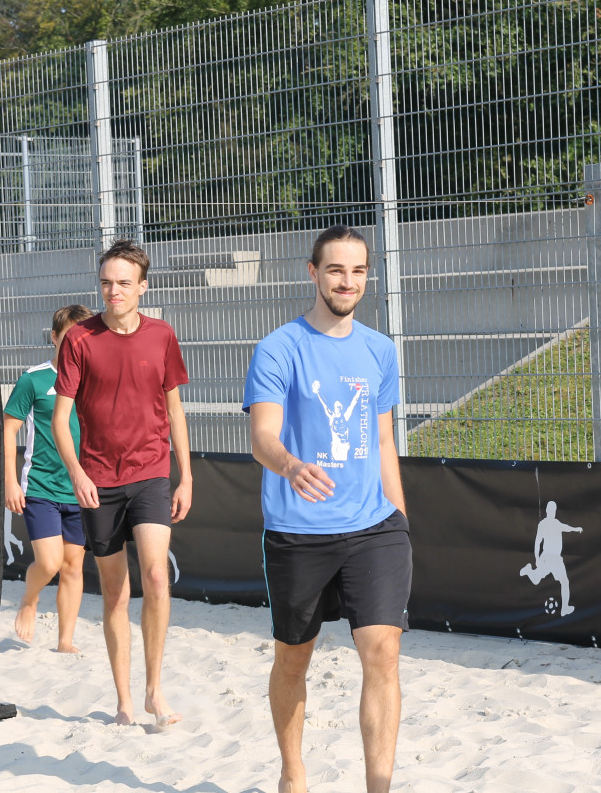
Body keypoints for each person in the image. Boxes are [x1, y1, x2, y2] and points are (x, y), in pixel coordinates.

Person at [243, 225, 411, 793]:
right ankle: (294, 774)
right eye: (336, 270)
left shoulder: (379, 350)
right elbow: (261, 435)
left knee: (382, 651)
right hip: (298, 530)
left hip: (374, 527)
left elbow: (384, 442)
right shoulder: (277, 347)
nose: (348, 281)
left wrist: (402, 522)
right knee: (294, 660)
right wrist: (290, 465)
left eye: (359, 270)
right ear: (312, 274)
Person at [52, 238, 192, 728]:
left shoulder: (162, 336)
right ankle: (124, 702)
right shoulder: (79, 340)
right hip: (97, 479)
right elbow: (61, 418)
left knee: (155, 577)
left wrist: (186, 476)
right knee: (115, 593)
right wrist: (77, 473)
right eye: (107, 283)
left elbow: (175, 409)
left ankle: (155, 691)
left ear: (143, 287)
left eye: (124, 283)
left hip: (152, 472)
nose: (114, 291)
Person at [4, 304, 95, 652]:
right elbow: (9, 429)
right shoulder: (34, 379)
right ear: (55, 338)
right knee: (49, 562)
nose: (76, 343)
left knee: (73, 566)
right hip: (40, 486)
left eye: (84, 337)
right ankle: (29, 598)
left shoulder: (93, 381)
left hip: (81, 490)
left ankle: (65, 641)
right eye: (69, 336)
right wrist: (11, 482)